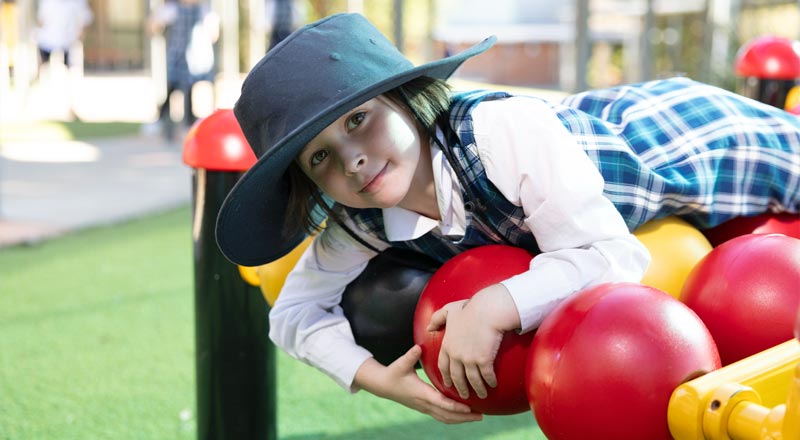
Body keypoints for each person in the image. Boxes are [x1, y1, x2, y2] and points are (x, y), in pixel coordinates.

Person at [215, 13, 800, 424]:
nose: (353, 159)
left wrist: (494, 305)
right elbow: (292, 314)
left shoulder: (498, 133)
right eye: (319, 157)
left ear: (406, 99)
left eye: (357, 119)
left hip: (690, 140)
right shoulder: (360, 219)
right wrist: (377, 378)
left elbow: (613, 256)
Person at [147, 0, 218, 140]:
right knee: (173, 88)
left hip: (196, 57)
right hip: (178, 56)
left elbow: (213, 34)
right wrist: (156, 18)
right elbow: (153, 27)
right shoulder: (172, 9)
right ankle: (163, 119)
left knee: (190, 88)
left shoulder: (203, 10)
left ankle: (189, 123)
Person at [35, 0, 93, 74]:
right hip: (47, 42)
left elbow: (85, 20)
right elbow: (41, 21)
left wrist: (78, 38)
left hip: (69, 43)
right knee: (43, 68)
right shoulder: (47, 2)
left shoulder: (78, 2)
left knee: (70, 70)